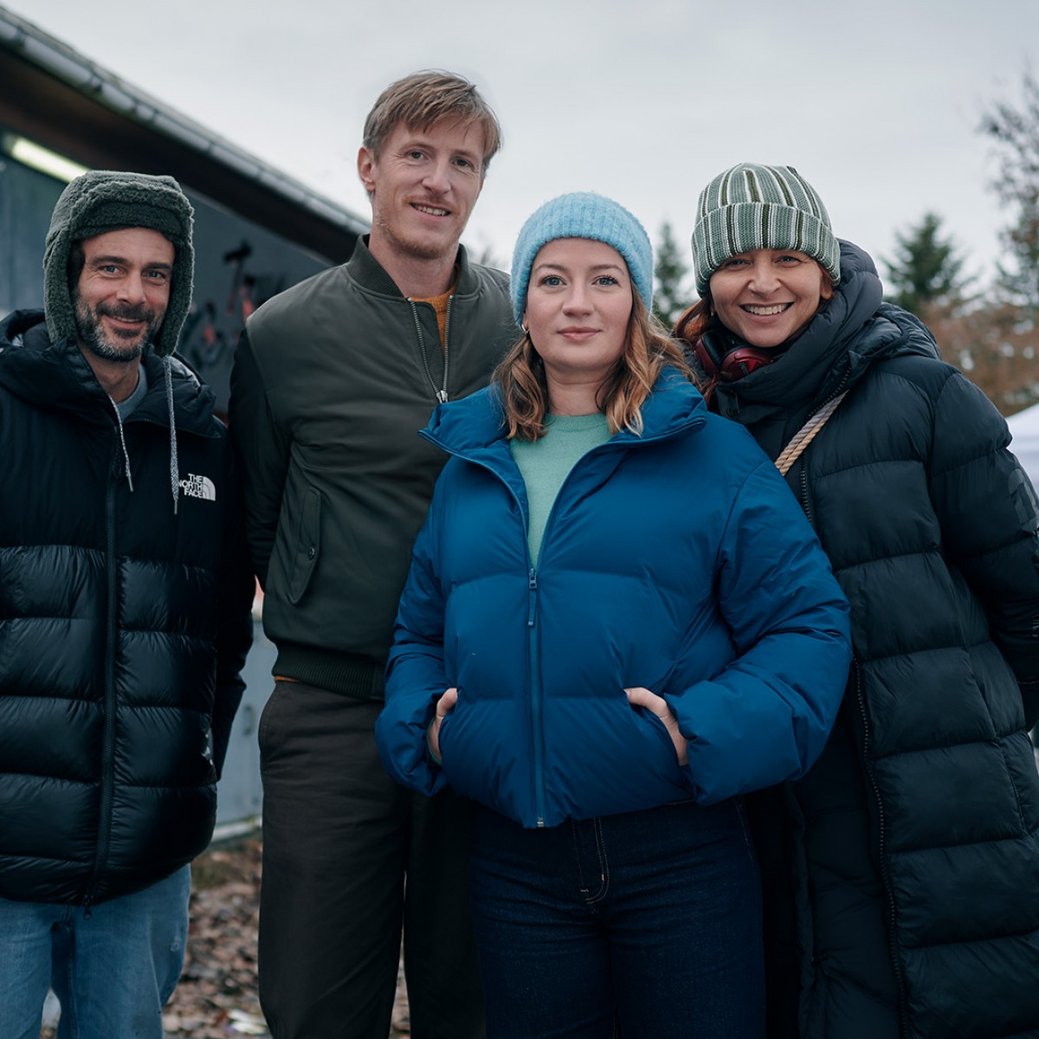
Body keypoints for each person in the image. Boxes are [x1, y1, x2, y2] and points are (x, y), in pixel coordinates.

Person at [375, 192, 852, 1039]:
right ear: (523, 302)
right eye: (552, 279)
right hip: (514, 860)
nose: (578, 301)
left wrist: (693, 733)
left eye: (604, 278)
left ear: (634, 299)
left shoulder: (711, 453)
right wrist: (429, 729)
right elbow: (418, 632)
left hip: (678, 853)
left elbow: (807, 627)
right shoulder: (470, 465)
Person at [676, 162, 1039, 1039]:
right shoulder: (695, 421)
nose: (762, 282)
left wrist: (966, 727)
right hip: (781, 791)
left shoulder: (920, 396)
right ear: (706, 281)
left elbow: (1025, 592)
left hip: (938, 790)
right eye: (737, 263)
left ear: (825, 269)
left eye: (786, 257)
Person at [229, 70, 514, 1039]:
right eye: (417, 155)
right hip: (332, 712)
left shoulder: (522, 326)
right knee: (316, 1000)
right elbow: (257, 518)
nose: (438, 180)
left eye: (461, 161)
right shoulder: (283, 334)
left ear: (479, 183)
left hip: (479, 705)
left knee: (472, 994)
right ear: (369, 168)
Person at [0, 169, 253, 1039]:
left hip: (145, 855)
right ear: (68, 275)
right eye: (110, 267)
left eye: (155, 273)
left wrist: (193, 767)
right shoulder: (3, 410)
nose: (132, 294)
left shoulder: (203, 440)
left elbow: (221, 637)